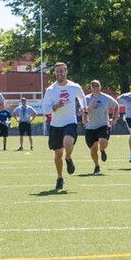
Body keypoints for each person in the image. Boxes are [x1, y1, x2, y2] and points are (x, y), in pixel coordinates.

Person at [42, 62, 85, 191]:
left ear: (66, 72)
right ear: (55, 73)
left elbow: (82, 98)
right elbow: (46, 109)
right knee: (58, 154)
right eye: (57, 71)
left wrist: (84, 111)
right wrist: (57, 106)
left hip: (70, 122)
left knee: (68, 145)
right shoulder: (51, 90)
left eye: (61, 71)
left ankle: (69, 158)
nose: (59, 73)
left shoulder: (74, 87)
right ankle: (60, 178)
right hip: (56, 125)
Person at [83, 80, 119, 175]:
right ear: (91, 88)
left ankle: (102, 150)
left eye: (97, 86)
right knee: (93, 148)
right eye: (93, 86)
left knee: (102, 141)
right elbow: (83, 112)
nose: (95, 88)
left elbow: (116, 106)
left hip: (103, 124)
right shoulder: (86, 99)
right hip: (90, 126)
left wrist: (114, 118)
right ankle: (97, 166)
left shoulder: (106, 98)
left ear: (100, 87)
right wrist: (88, 109)